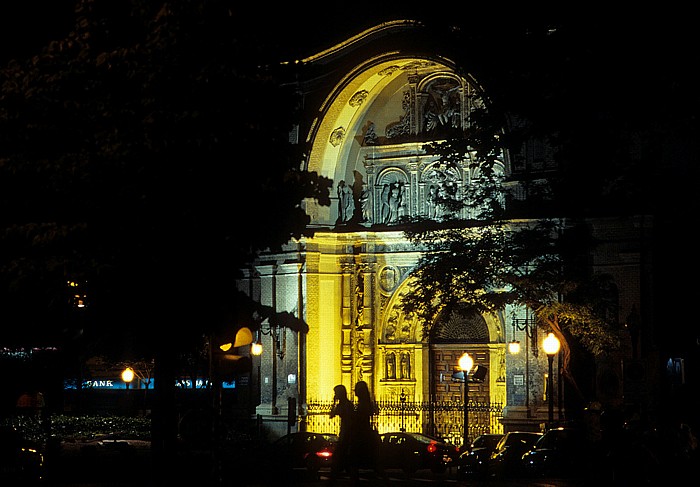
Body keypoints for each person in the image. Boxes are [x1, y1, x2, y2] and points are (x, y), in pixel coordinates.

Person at [348, 381, 388, 486]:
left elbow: (360, 420)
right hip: (365, 435)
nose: (354, 391)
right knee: (373, 463)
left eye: (356, 389)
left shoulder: (363, 405)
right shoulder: (365, 403)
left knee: (355, 461)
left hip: (361, 436)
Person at [328, 384, 353, 483]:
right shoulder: (344, 405)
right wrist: (334, 403)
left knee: (337, 460)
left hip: (346, 437)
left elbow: (332, 414)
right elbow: (331, 415)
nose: (335, 394)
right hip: (344, 435)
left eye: (336, 393)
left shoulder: (346, 406)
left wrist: (334, 403)